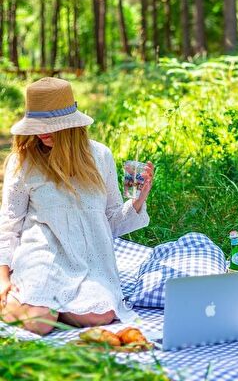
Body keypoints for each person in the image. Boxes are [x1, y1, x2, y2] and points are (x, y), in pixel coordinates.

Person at [0, 77, 154, 335]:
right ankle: (37, 304)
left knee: (99, 316)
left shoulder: (100, 156)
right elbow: (8, 226)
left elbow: (111, 220)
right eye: (37, 125)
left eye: (51, 125)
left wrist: (139, 200)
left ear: (71, 124)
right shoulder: (22, 161)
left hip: (90, 258)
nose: (42, 132)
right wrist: (2, 278)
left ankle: (51, 305)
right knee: (38, 323)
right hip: (42, 255)